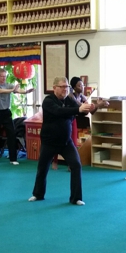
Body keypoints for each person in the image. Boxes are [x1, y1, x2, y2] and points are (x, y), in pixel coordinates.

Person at [28, 76, 92, 205]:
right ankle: (38, 194)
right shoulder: (48, 101)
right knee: (43, 168)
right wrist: (78, 109)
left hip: (66, 142)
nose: (65, 89)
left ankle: (76, 198)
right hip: (49, 142)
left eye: (67, 87)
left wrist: (92, 107)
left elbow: (81, 112)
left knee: (76, 165)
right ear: (54, 88)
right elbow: (59, 111)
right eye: (62, 87)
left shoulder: (69, 100)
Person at [51, 76, 108, 170]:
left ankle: (71, 164)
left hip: (73, 121)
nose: (82, 87)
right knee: (58, 140)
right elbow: (84, 109)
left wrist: (98, 105)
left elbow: (91, 111)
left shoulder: (82, 96)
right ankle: (55, 161)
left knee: (73, 142)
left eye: (83, 85)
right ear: (74, 87)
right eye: (79, 86)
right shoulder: (71, 97)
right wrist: (99, 105)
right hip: (65, 120)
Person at [0, 68, 33, 165]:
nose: (4, 78)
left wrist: (26, 92)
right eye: (2, 76)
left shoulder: (8, 85)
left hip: (5, 112)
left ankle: (13, 158)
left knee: (12, 133)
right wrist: (12, 90)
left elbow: (17, 90)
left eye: (5, 76)